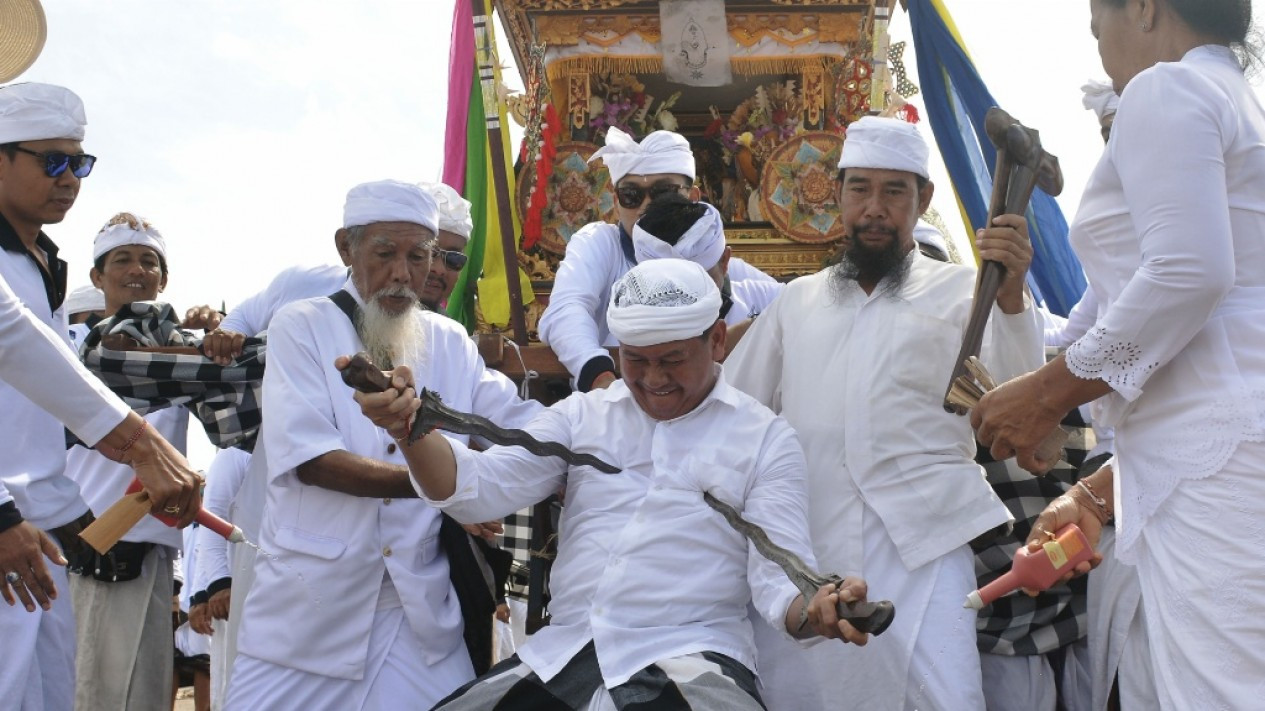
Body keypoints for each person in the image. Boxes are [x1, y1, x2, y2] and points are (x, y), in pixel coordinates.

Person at [348, 257, 870, 710]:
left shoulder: (765, 439)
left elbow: (782, 582)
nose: (653, 379)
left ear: (715, 341)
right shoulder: (583, 416)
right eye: (635, 360)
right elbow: (478, 485)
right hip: (563, 657)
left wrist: (818, 610)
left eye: (671, 360)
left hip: (692, 662)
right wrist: (406, 428)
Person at [971, 1, 1265, 708]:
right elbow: (1130, 287)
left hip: (1213, 449)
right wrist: (1053, 392)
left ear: (1141, 7)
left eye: (1096, 20)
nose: (1097, 41)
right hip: (1196, 452)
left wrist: (1047, 394)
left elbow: (1186, 271)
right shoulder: (1234, 98)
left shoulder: (1168, 88)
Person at [725, 116, 1044, 710]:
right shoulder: (796, 302)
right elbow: (733, 412)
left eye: (895, 191)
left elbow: (1023, 401)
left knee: (945, 699)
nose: (875, 208)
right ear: (838, 195)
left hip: (922, 542)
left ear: (922, 200)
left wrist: (1010, 293)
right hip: (811, 550)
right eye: (860, 188)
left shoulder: (965, 294)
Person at [224, 180, 540, 710]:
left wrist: (607, 421)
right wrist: (447, 488)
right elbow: (314, 463)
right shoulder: (302, 326)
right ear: (346, 249)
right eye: (385, 254)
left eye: (418, 256)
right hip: (310, 615)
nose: (402, 273)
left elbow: (521, 426)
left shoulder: (448, 342)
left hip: (417, 616)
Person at [0, 81, 202, 711]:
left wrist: (75, 521)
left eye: (78, 164)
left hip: (41, 536)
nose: (69, 180)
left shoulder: (39, 266)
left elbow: (44, 402)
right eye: (51, 162)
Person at [64, 213, 210, 711]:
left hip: (150, 557)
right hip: (96, 550)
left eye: (149, 262)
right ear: (96, 277)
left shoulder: (180, 353)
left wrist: (219, 335)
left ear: (163, 279)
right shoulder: (73, 352)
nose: (137, 270)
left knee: (140, 697)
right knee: (95, 696)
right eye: (122, 259)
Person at [537, 127, 779, 392]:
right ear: (616, 203)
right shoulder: (600, 243)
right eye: (631, 195)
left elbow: (792, 306)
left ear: (693, 198)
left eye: (663, 192)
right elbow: (566, 310)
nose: (646, 206)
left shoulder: (718, 265)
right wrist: (601, 381)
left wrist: (751, 330)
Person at [200, 181, 473, 366]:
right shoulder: (304, 287)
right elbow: (245, 317)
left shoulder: (451, 343)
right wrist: (228, 335)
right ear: (347, 248)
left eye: (454, 260)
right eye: (432, 252)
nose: (437, 269)